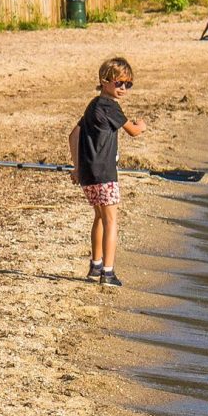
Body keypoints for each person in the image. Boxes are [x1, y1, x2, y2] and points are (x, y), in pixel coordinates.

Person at [70, 57, 146, 287]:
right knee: (111, 220)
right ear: (105, 82)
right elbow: (132, 131)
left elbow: (73, 134)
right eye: (119, 83)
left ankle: (95, 265)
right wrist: (141, 126)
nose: (123, 88)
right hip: (104, 173)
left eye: (128, 84)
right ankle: (109, 272)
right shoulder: (110, 107)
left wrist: (77, 166)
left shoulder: (93, 105)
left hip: (89, 174)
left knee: (100, 217)